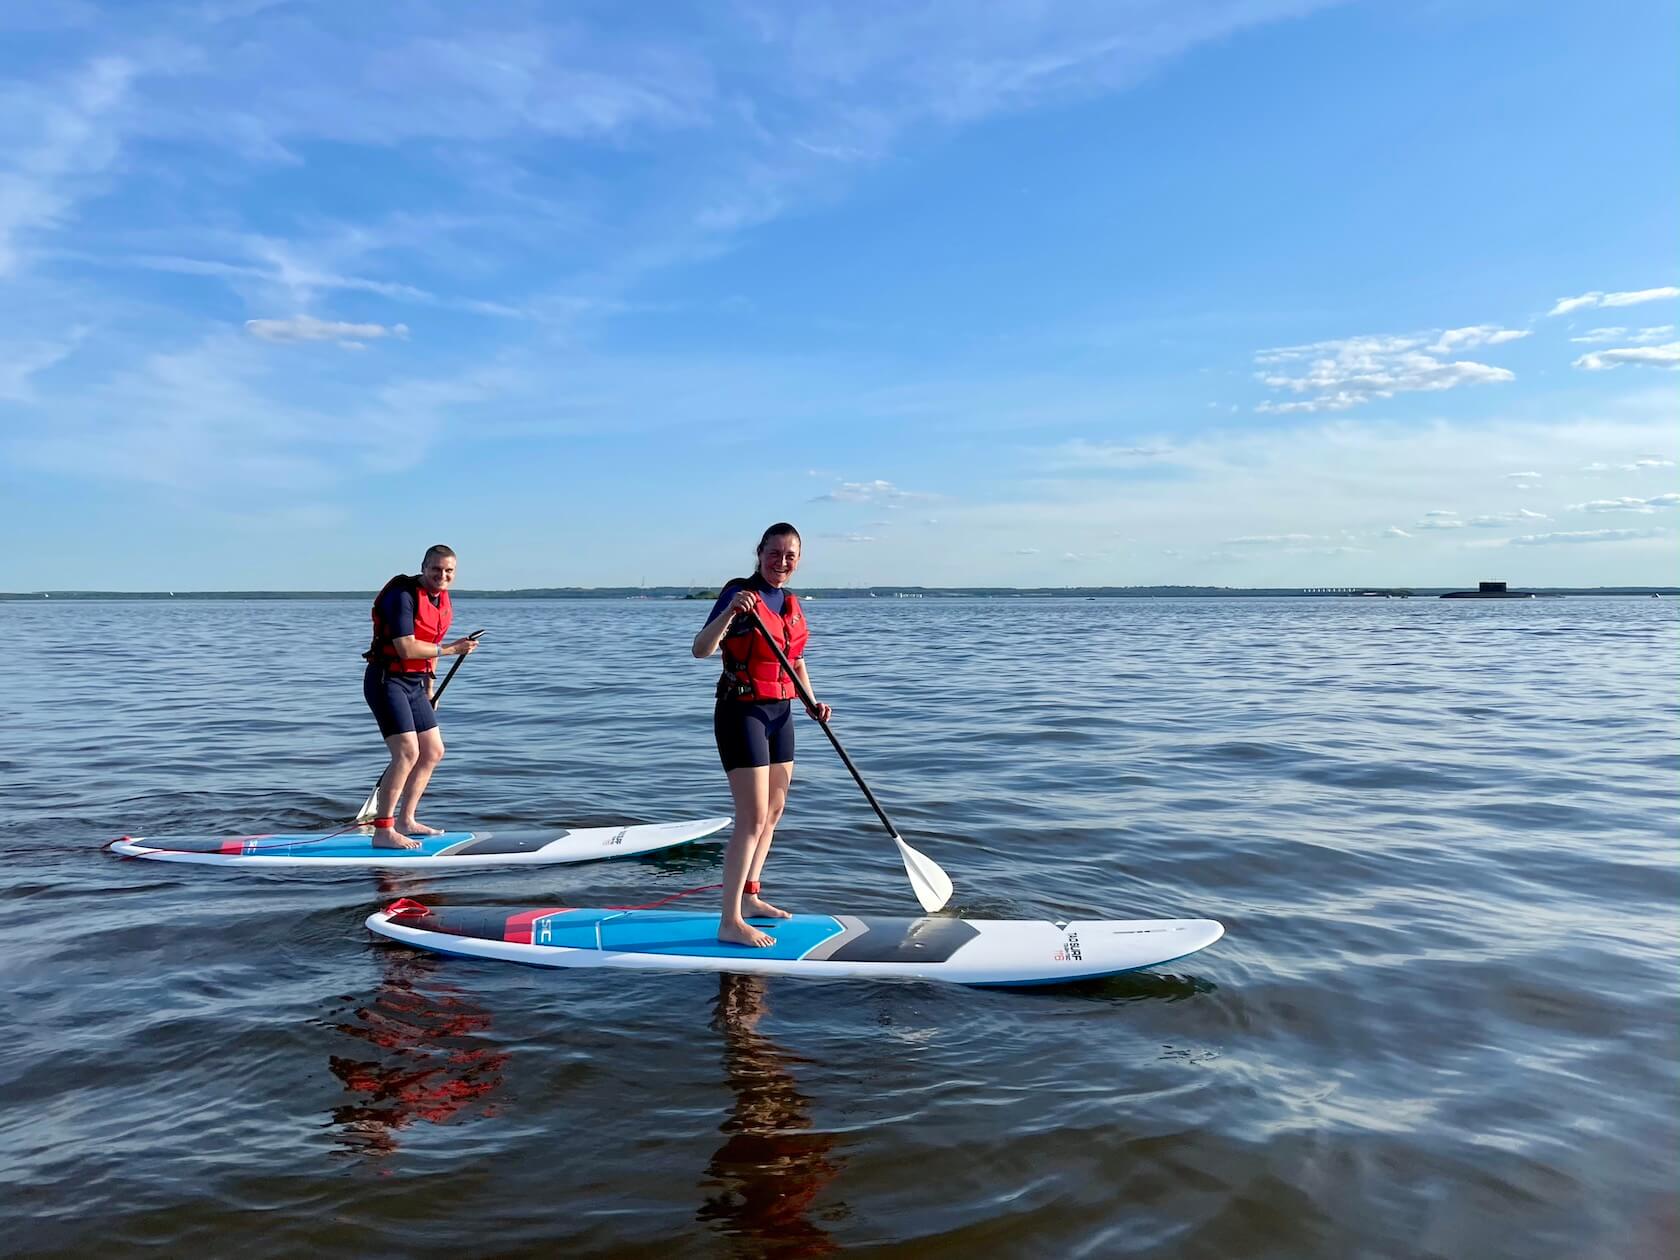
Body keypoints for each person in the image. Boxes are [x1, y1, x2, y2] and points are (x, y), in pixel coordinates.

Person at [692, 523, 832, 947]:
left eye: (790, 556)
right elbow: (701, 649)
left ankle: (751, 897)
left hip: (782, 712)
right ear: (760, 552)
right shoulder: (740, 593)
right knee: (750, 818)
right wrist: (731, 611)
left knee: (773, 811)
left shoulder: (789, 602)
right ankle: (730, 919)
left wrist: (812, 702)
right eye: (775, 553)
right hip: (741, 712)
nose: (782, 563)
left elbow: (796, 660)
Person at [362, 545, 480, 849]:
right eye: (436, 569)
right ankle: (383, 830)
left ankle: (406, 820)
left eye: (449, 571)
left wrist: (429, 687)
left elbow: (432, 641)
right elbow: (407, 648)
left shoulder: (440, 599)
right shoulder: (402, 596)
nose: (442, 576)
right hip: (387, 680)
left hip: (415, 684)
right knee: (406, 753)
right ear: (423, 568)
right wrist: (453, 649)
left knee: (433, 751)